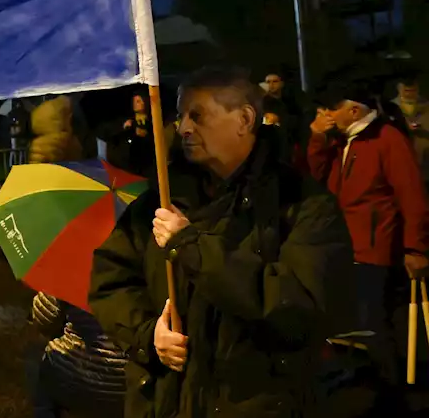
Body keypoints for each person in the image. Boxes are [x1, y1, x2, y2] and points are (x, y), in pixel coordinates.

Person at [89, 66, 352, 418]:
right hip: (166, 403)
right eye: (180, 115)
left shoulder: (303, 204)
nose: (182, 127)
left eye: (197, 116)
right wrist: (149, 335)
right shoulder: (161, 200)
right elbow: (112, 280)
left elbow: (298, 305)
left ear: (243, 119)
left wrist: (193, 248)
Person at [306, 75, 429, 391]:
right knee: (359, 322)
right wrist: (318, 140)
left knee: (374, 322)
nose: (328, 114)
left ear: (355, 111)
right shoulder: (341, 142)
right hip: (346, 246)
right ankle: (380, 379)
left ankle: (392, 386)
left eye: (334, 108)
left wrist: (416, 248)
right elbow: (315, 180)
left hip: (375, 249)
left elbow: (412, 195)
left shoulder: (387, 139)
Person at [27, 114, 124, 417]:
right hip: (134, 380)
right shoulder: (143, 251)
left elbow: (46, 321)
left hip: (79, 377)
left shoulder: (74, 251)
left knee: (37, 368)